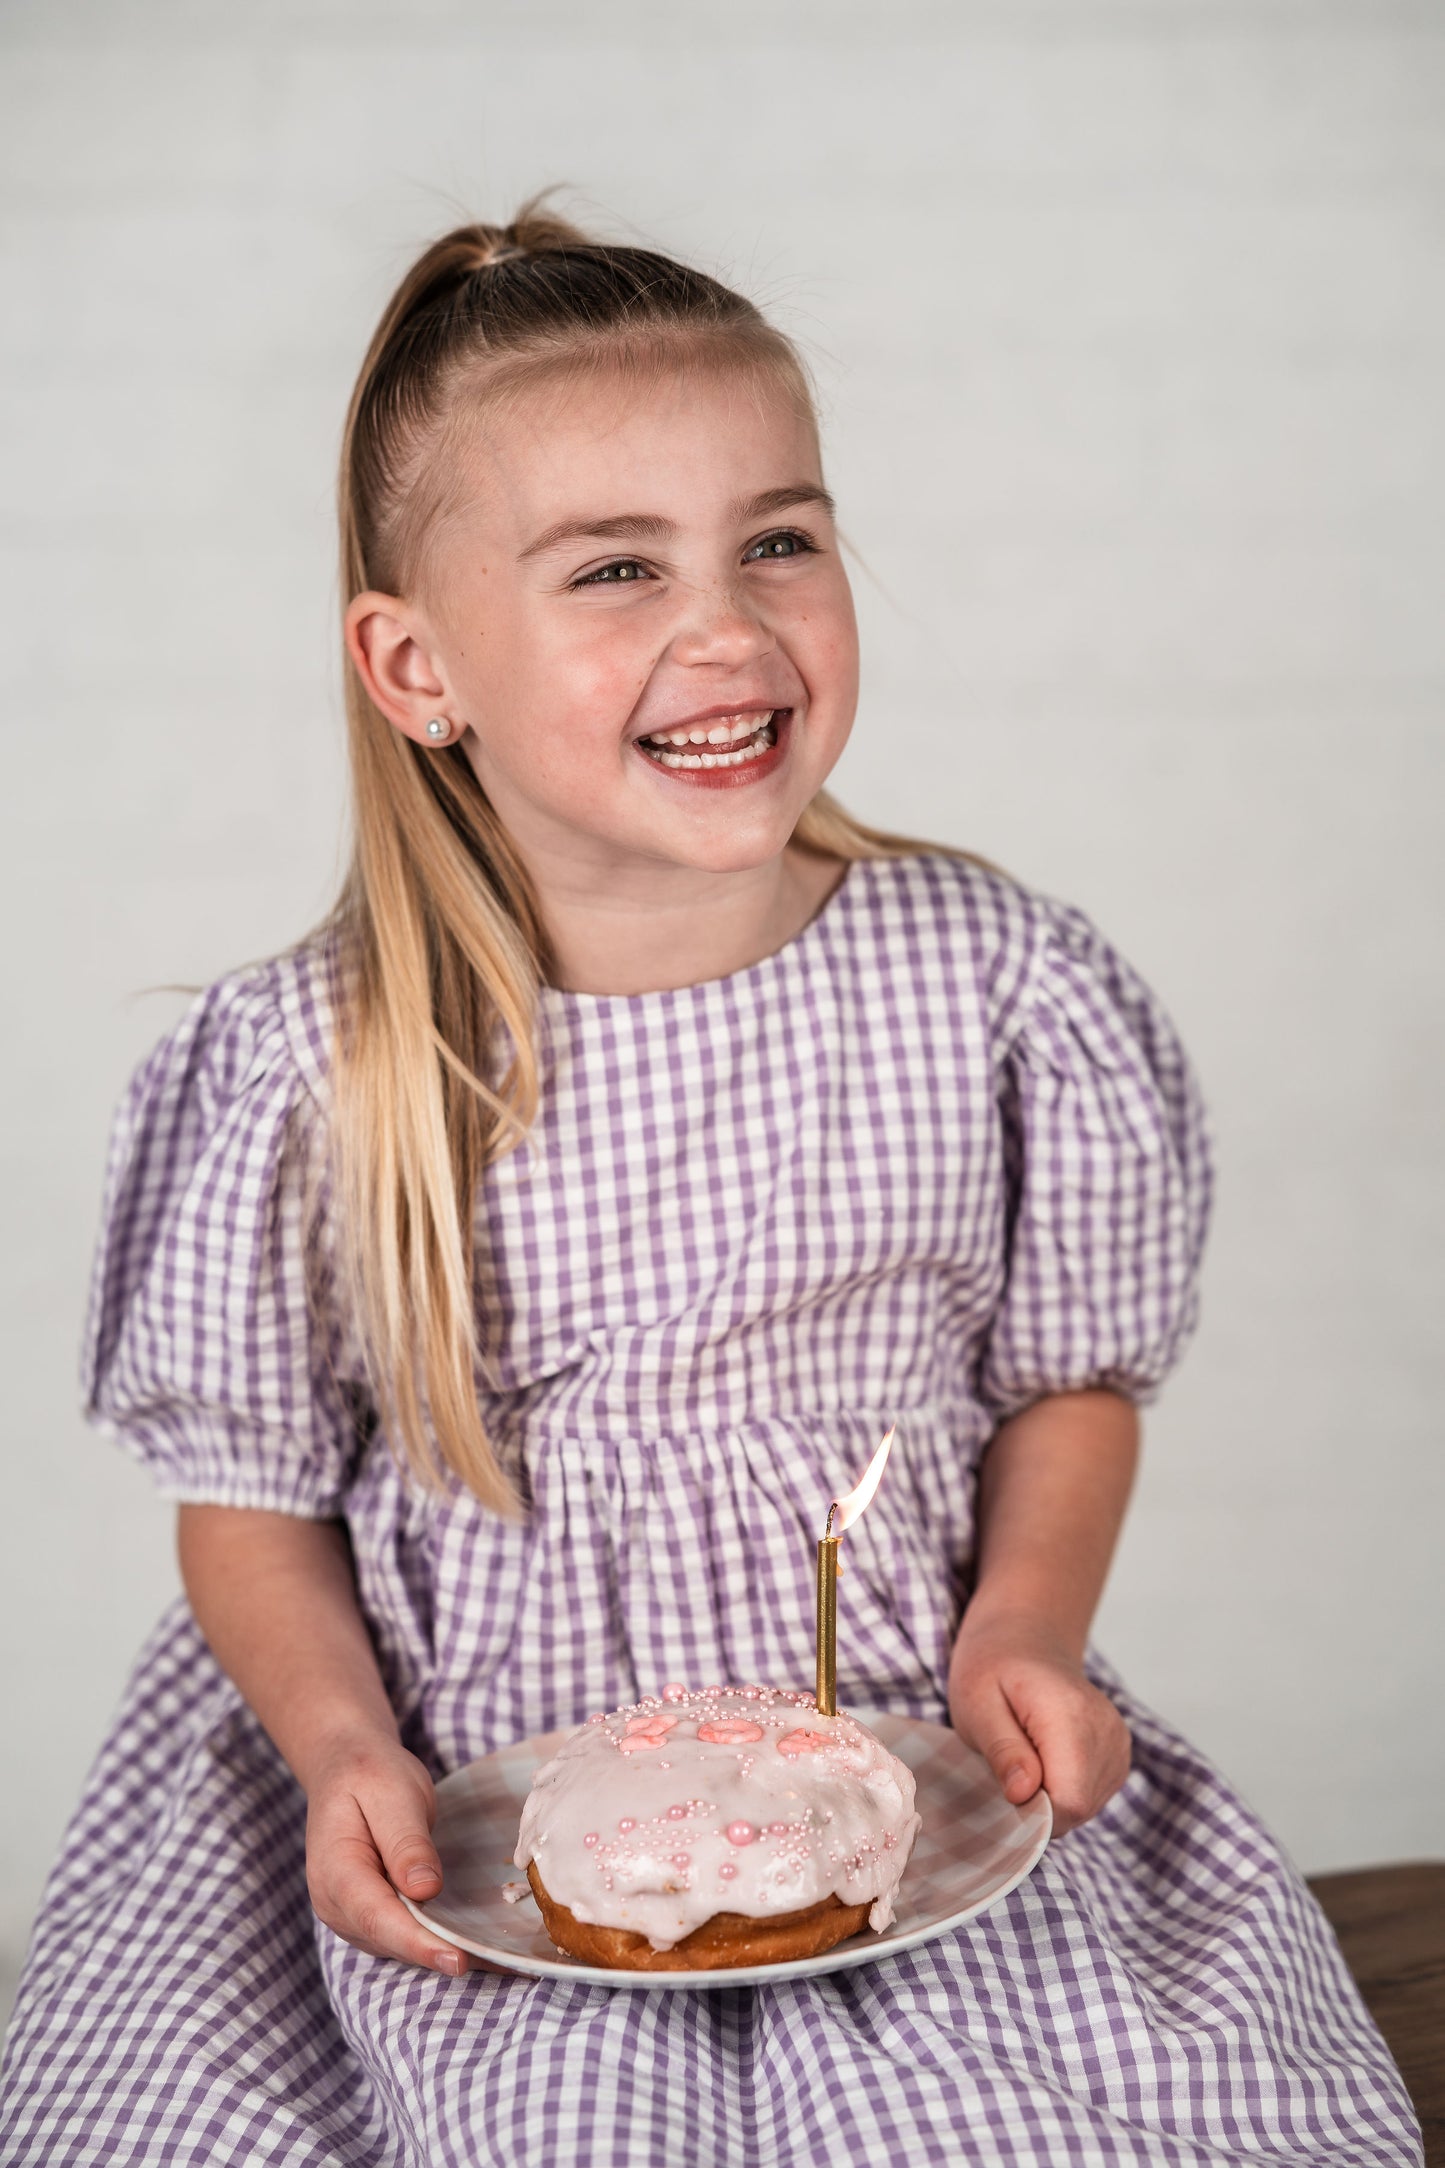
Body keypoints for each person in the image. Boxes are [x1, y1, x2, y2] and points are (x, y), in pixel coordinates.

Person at [0, 199, 1421, 2168]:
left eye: (779, 539)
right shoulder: (310, 1068)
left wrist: (1021, 1627)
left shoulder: (999, 990)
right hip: (460, 1795)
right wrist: (337, 1747)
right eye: (615, 568)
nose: (729, 627)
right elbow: (249, 1506)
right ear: (416, 665)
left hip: (902, 1757)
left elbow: (1067, 1386)